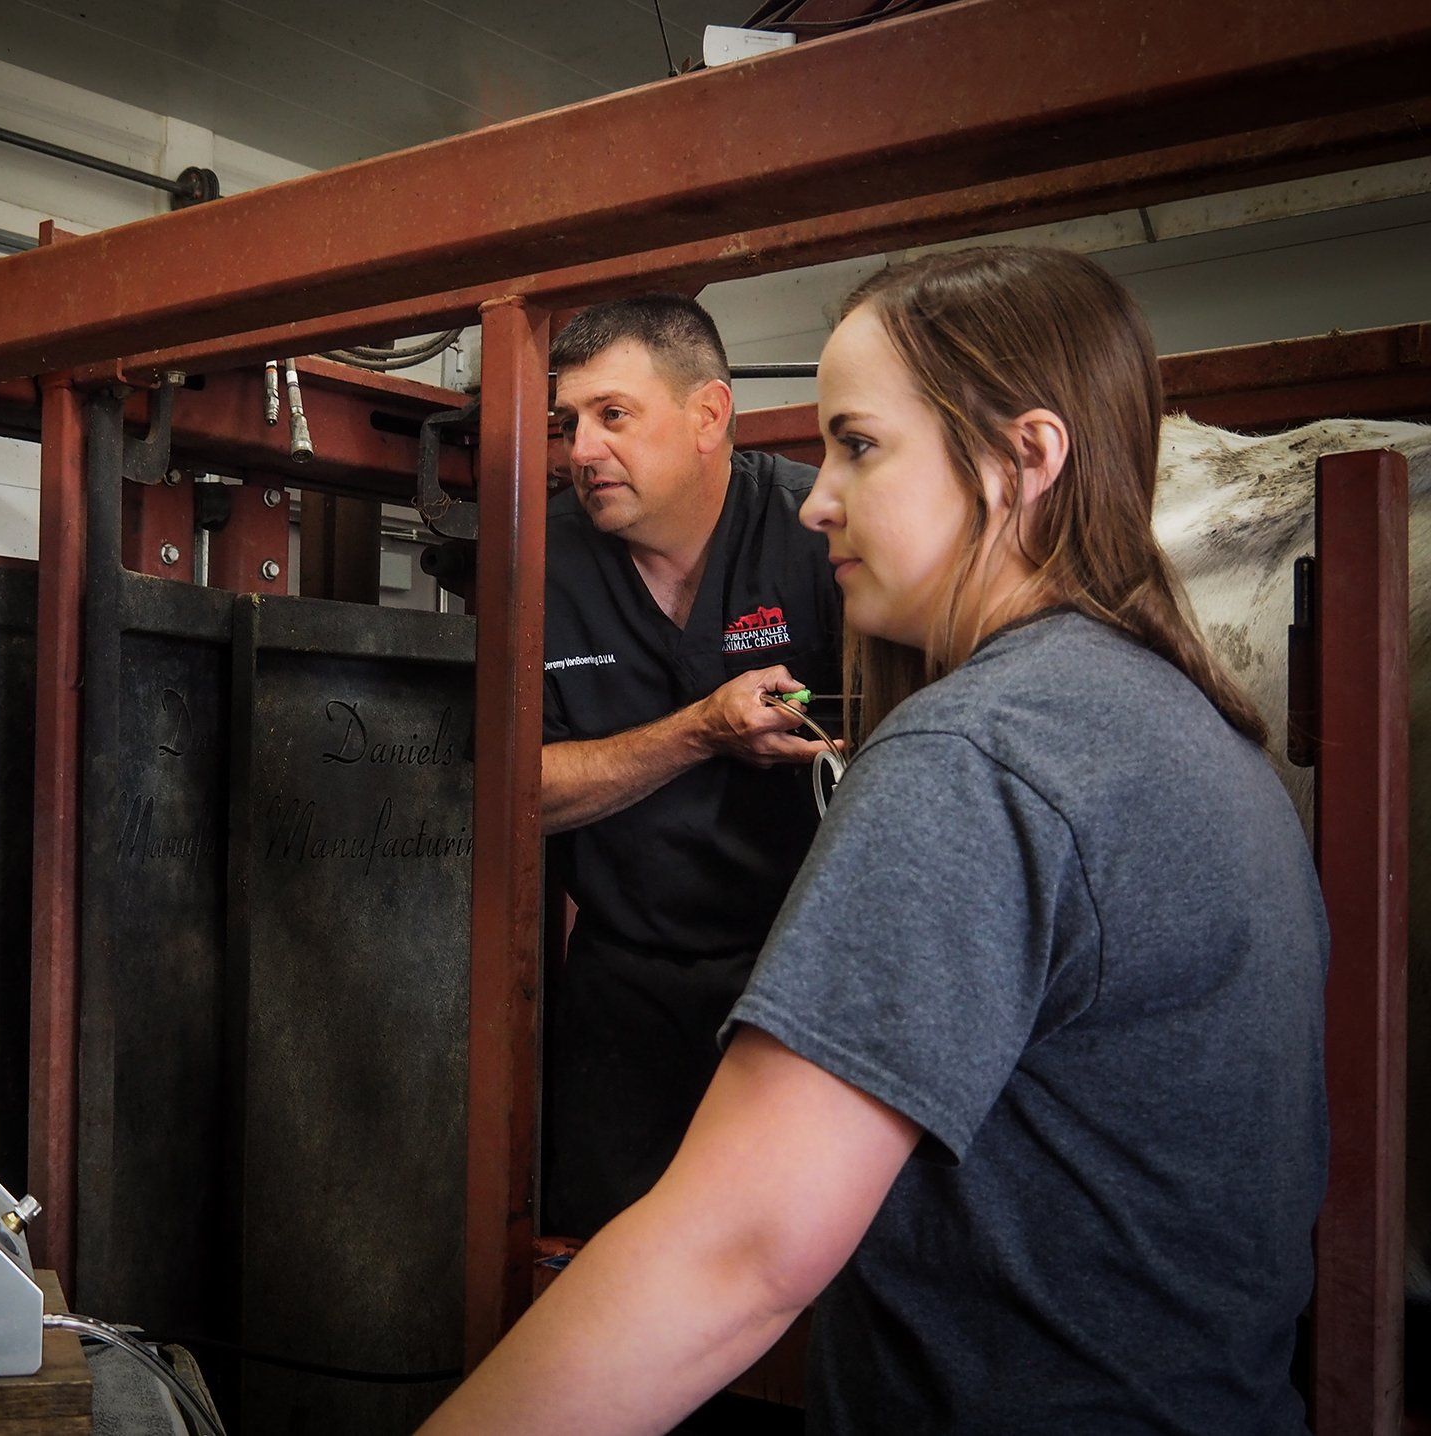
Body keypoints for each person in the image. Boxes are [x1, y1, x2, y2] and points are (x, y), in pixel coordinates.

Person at [421, 246, 1327, 1435]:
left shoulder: (974, 754)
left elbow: (734, 1256)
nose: (817, 497)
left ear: (1026, 458)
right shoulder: (1199, 724)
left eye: (860, 444)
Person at [539, 295, 843, 1241]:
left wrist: (810, 721)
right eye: (568, 422)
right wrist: (702, 728)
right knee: (598, 1256)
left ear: (709, 416)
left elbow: (883, 735)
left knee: (786, 1267)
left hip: (800, 992)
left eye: (612, 415)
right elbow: (513, 794)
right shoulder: (540, 558)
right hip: (622, 990)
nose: (581, 449)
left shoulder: (819, 533)